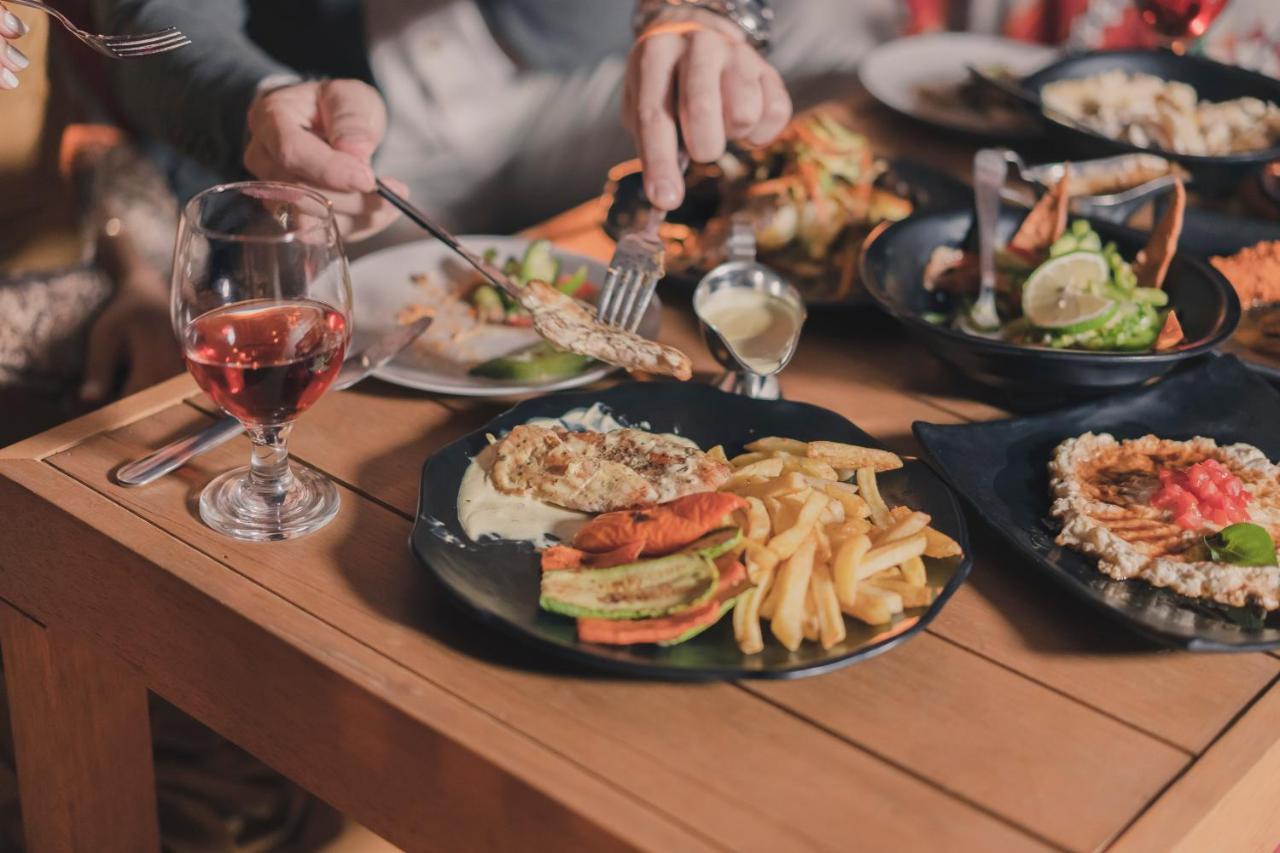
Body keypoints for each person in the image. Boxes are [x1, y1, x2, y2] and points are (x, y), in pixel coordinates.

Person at [93, 0, 901, 240]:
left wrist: (707, 11)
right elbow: (145, 19)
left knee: (851, 27)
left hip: (582, 76)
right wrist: (256, 105)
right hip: (352, 123)